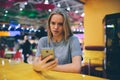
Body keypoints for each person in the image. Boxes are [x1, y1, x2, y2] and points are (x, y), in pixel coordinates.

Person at [32, 8, 83, 73]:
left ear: (65, 26)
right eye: (53, 23)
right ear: (49, 24)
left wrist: (47, 67)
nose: (56, 27)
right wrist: (37, 66)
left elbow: (76, 68)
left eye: (60, 24)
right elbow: (35, 63)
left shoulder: (73, 40)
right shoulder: (43, 41)